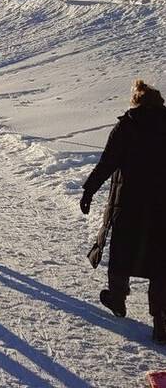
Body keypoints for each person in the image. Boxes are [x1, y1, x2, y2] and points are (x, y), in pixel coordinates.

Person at [80, 79, 166, 345]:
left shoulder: (127, 125)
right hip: (163, 206)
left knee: (121, 252)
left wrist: (88, 190)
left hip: (129, 203)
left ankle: (117, 300)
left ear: (136, 101)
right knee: (161, 263)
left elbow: (108, 162)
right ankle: (161, 322)